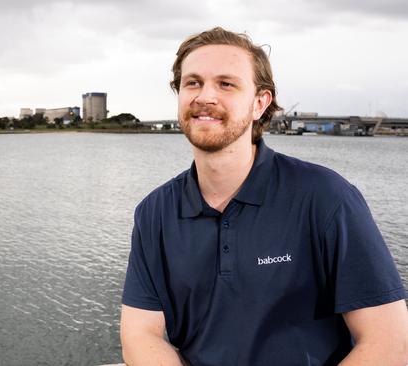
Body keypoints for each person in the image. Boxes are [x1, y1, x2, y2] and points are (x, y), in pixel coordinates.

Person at [120, 27, 408, 366]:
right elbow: (140, 333)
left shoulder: (326, 198)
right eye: (193, 82)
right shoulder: (155, 213)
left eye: (226, 84)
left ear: (260, 103)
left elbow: (390, 341)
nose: (204, 96)